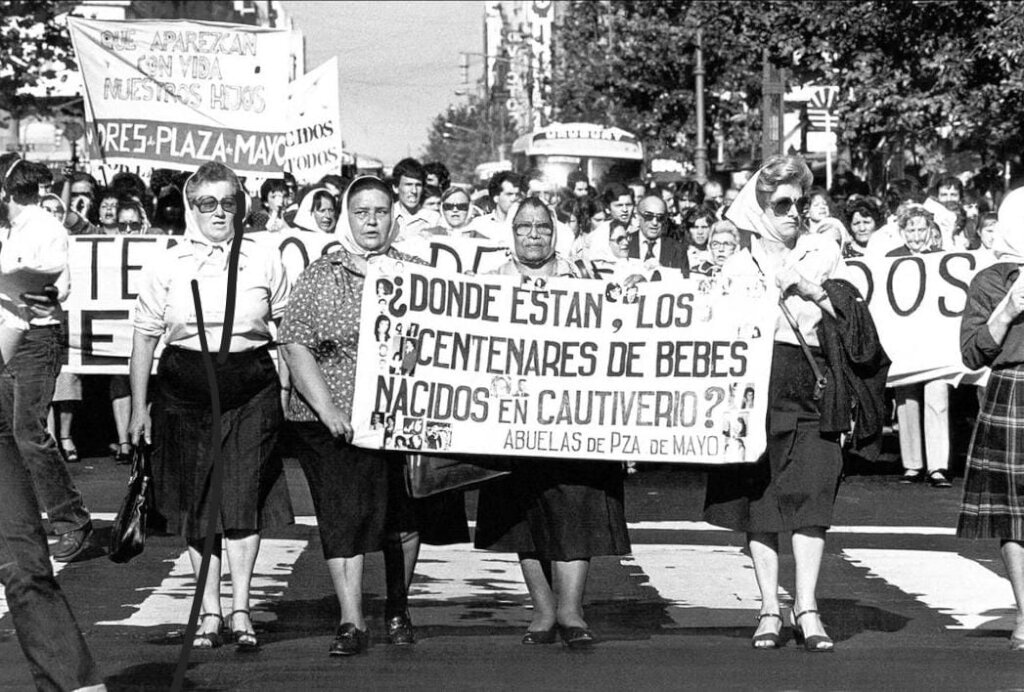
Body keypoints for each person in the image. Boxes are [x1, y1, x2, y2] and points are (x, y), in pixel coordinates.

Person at [278, 175, 466, 656]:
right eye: (361, 212)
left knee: (403, 516)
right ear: (347, 216)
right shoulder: (323, 273)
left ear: (394, 217)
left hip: (399, 419)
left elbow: (448, 340)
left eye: (380, 212)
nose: (371, 221)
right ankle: (351, 620)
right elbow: (295, 342)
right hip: (333, 422)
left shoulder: (419, 273)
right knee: (343, 518)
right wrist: (328, 409)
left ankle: (399, 607)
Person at [129, 160, 294, 652]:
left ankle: (241, 609)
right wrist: (139, 408)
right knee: (199, 506)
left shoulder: (265, 259)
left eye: (229, 202)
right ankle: (209, 612)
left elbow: (286, 332)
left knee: (243, 499)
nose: (219, 212)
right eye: (208, 203)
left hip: (251, 389)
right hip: (184, 390)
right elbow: (143, 336)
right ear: (190, 207)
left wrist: (285, 393)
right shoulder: (167, 263)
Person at [704, 154, 850, 652]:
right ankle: (769, 607)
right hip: (754, 388)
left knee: (812, 497)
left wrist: (806, 286)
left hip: (809, 381)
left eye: (801, 202)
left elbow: (854, 318)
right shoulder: (737, 264)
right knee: (761, 503)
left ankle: (806, 607)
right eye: (782, 203)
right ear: (760, 207)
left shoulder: (824, 251)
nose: (795, 212)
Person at [475, 196, 630, 648]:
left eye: (542, 227)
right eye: (524, 227)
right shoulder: (487, 284)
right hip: (512, 418)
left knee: (576, 510)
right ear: (512, 232)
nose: (534, 235)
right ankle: (542, 610)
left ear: (554, 231)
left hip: (574, 418)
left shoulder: (583, 277)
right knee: (524, 514)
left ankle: (572, 610)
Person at [0, 154, 105, 691]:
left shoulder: (41, 227)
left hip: (32, 342)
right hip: (18, 342)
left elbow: (46, 291)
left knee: (25, 432)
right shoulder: (15, 228)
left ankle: (70, 517)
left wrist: (35, 297)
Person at [957, 186, 1024, 651]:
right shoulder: (991, 280)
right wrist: (1009, 308)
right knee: (1015, 513)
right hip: (1014, 390)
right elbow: (972, 352)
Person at [886, 204, 953, 488]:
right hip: (904, 342)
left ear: (930, 230)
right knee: (907, 400)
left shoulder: (944, 259)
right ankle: (912, 464)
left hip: (935, 341)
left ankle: (938, 466)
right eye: (910, 229)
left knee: (937, 397)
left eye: (920, 229)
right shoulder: (890, 259)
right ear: (902, 232)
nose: (915, 235)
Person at [627, 193, 689, 276]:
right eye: (648, 216)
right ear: (638, 216)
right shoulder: (626, 243)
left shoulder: (677, 249)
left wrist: (662, 271)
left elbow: (684, 282)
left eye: (660, 218)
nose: (655, 222)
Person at [468, 170, 523, 243]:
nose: (514, 198)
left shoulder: (529, 226)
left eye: (518, 195)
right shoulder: (478, 225)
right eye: (509, 194)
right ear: (496, 197)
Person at [391, 157, 439, 240]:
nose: (414, 191)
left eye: (418, 185)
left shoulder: (434, 219)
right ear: (395, 188)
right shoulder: (385, 216)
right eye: (408, 185)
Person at [683, 206, 716, 274]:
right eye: (695, 227)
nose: (700, 232)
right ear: (688, 229)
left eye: (704, 227)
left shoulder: (717, 253)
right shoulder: (681, 253)